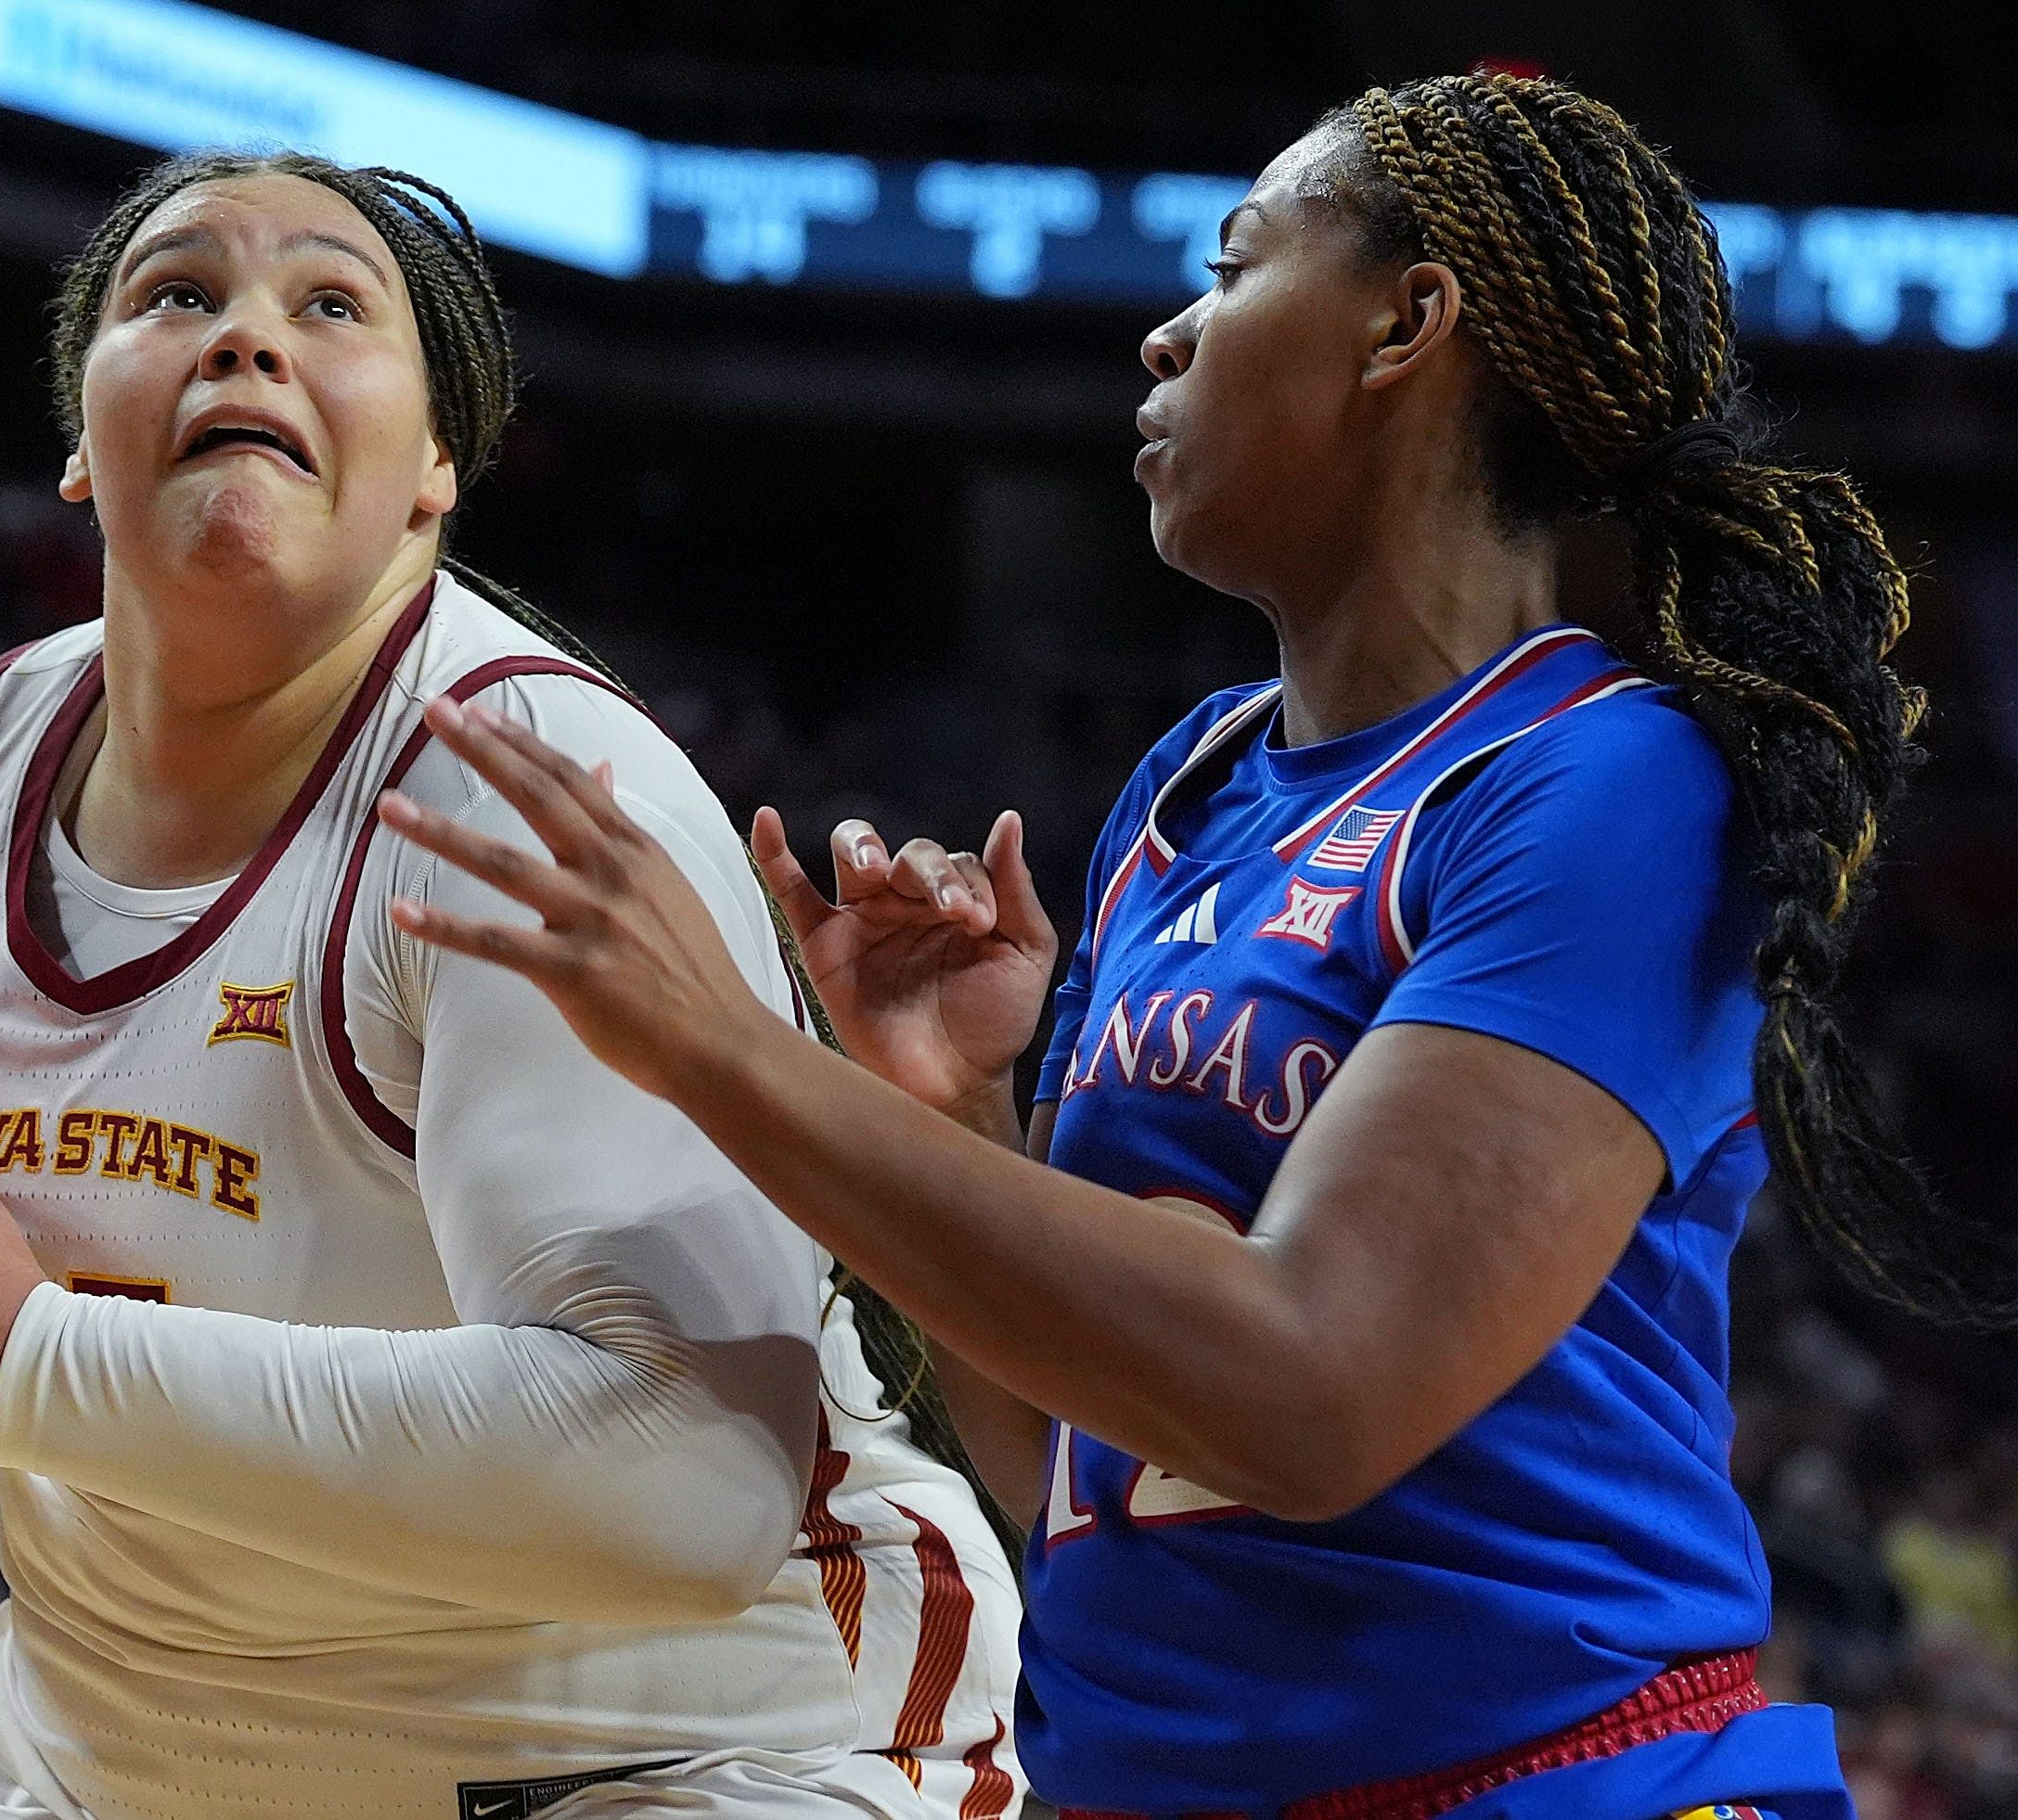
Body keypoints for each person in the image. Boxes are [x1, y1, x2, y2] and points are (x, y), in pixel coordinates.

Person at [372, 72, 2018, 1820]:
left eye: (1234, 267)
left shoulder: (1610, 775)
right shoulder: (1192, 786)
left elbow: (1311, 1387)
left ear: (1408, 322)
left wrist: (730, 1050)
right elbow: (1081, 1466)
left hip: (1553, 1785)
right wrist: (947, 1112)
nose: (1165, 337)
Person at [0, 152, 1021, 1816]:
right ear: (79, 437)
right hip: (135, 1751)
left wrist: (10, 1365)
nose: (247, 338)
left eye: (330, 304)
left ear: (433, 469)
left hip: (679, 1746)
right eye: (178, 292)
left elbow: (683, 1482)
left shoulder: (538, 787)